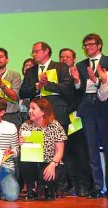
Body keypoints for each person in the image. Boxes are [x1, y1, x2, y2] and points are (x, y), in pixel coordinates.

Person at [73, 33, 108, 198]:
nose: (88, 48)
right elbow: (79, 91)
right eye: (85, 45)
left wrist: (98, 80)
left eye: (91, 44)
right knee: (92, 151)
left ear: (99, 45)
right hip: (87, 111)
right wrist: (77, 82)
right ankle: (97, 186)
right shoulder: (80, 65)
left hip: (104, 109)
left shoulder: (107, 61)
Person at [19, 98, 67, 200]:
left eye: (33, 108)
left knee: (48, 174)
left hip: (51, 162)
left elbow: (60, 152)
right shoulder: (25, 126)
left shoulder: (55, 126)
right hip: (33, 162)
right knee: (23, 160)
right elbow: (24, 151)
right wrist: (21, 144)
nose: (30, 111)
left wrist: (53, 164)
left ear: (43, 112)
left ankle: (49, 189)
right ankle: (31, 189)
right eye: (29, 108)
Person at [59, 48, 91, 197]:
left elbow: (84, 93)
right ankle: (71, 185)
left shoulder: (81, 72)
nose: (64, 59)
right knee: (66, 154)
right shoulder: (57, 75)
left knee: (81, 153)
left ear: (74, 59)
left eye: (67, 57)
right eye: (62, 57)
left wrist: (77, 80)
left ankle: (84, 185)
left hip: (78, 118)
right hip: (63, 118)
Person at [20, 41, 73, 129]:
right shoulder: (30, 71)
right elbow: (22, 93)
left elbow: (66, 87)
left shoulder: (60, 66)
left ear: (46, 51)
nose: (34, 54)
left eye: (36, 51)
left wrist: (47, 84)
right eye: (32, 52)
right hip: (36, 113)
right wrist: (37, 87)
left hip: (56, 110)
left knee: (58, 141)